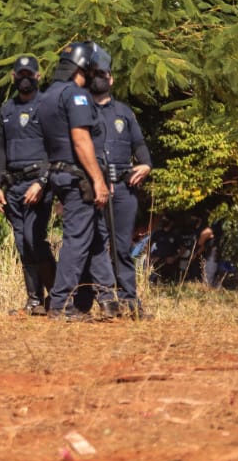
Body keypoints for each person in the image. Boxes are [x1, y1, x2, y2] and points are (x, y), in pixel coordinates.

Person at [36, 41, 116, 321]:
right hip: (78, 176)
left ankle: (108, 300)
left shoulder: (47, 96)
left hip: (59, 173)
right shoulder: (76, 96)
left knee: (93, 236)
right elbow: (81, 141)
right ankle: (60, 303)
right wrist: (98, 180)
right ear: (84, 68)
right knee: (77, 240)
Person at [87, 48, 153, 319]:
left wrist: (146, 164)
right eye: (95, 75)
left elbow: (139, 144)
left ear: (111, 79)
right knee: (96, 243)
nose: (100, 79)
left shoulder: (124, 112)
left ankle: (129, 301)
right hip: (93, 188)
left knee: (123, 246)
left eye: (103, 74)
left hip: (124, 189)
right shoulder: (82, 112)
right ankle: (105, 298)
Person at [0, 55, 56, 316]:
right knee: (21, 243)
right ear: (13, 77)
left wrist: (42, 182)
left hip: (39, 185)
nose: (25, 78)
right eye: (21, 74)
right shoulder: (7, 109)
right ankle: (34, 301)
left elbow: (57, 149)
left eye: (30, 74)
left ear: (38, 77)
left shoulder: (48, 107)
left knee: (34, 239)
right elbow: (1, 150)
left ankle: (60, 295)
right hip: (14, 187)